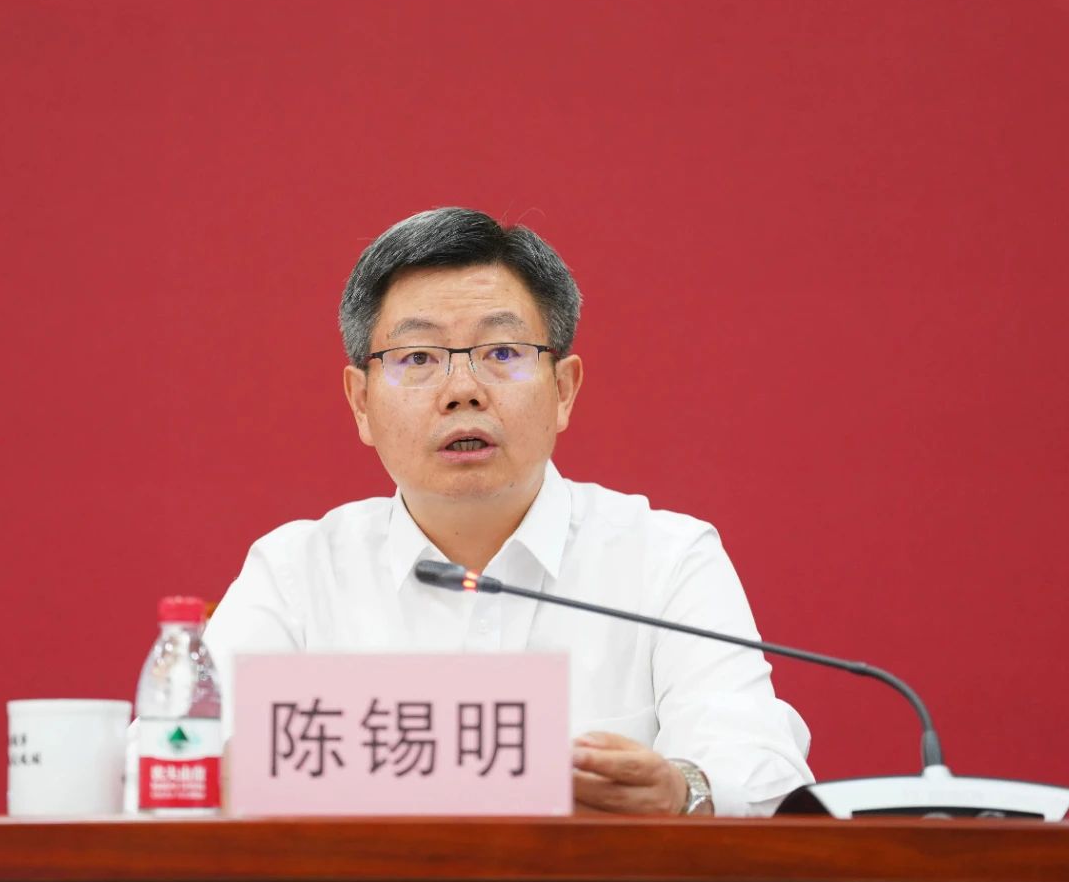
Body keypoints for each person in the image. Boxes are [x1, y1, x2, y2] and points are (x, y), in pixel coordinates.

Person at [205, 207, 812, 816]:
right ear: (361, 403)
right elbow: (186, 767)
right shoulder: (295, 573)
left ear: (564, 390)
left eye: (502, 352)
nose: (462, 391)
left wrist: (684, 792)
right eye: (417, 358)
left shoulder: (666, 558)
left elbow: (760, 771)